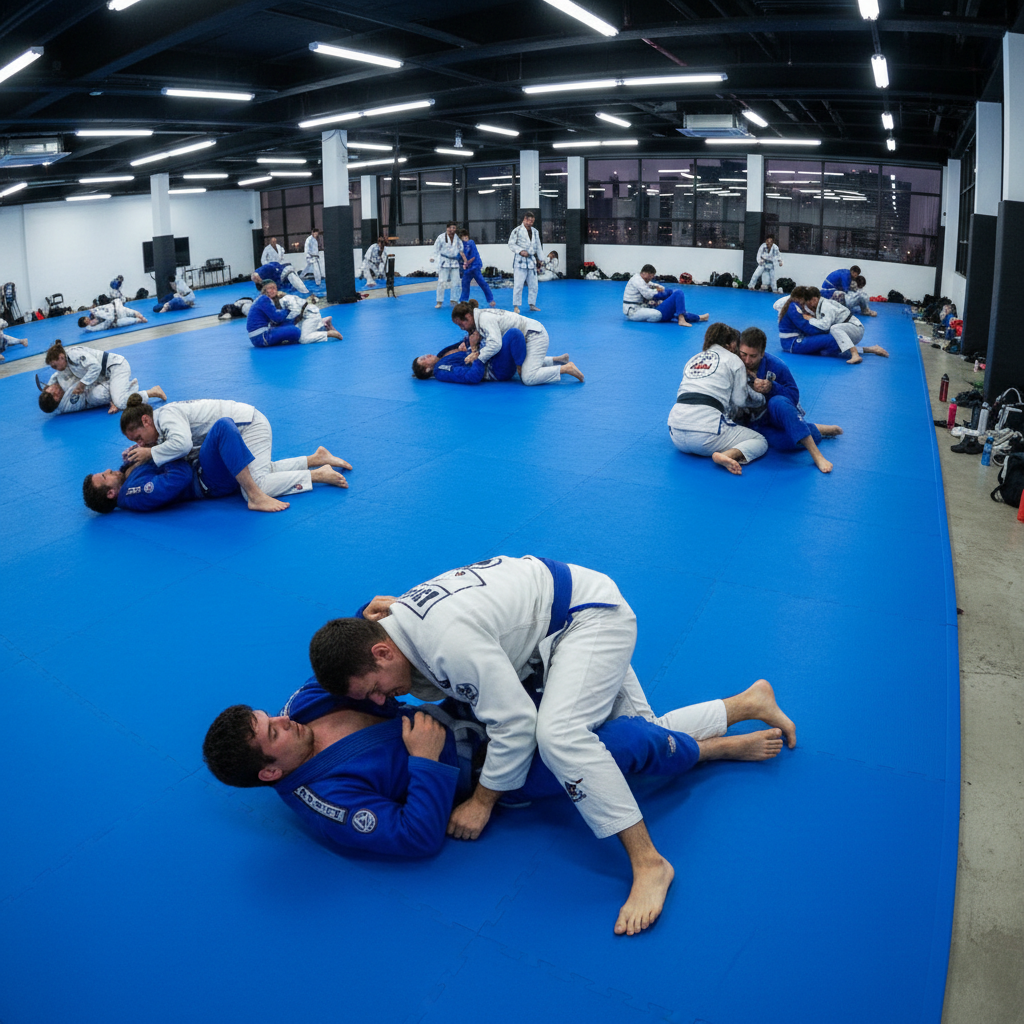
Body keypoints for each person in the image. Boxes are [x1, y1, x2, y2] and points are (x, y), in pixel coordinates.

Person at [305, 555, 797, 935]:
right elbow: (367, 649)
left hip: (586, 621)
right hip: (555, 621)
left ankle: (649, 863)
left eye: (375, 687)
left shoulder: (444, 645)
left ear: (382, 650)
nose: (382, 701)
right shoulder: (390, 626)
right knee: (644, 733)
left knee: (560, 737)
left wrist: (482, 802)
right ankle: (745, 704)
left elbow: (516, 724)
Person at [202, 673, 793, 862]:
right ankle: (718, 739)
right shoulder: (325, 801)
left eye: (268, 717)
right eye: (272, 735)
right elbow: (412, 838)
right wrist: (425, 764)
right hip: (489, 769)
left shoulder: (303, 706)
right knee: (625, 742)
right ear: (271, 773)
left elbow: (346, 671)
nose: (283, 721)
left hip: (469, 711)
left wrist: (370, 625)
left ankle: (742, 705)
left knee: (575, 676)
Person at [116, 394, 351, 512]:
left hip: (248, 427)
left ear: (146, 420)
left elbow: (183, 445)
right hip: (238, 429)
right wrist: (146, 449)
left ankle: (316, 476)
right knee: (256, 470)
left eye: (138, 438)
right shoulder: (160, 425)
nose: (140, 443)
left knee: (254, 486)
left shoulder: (167, 416)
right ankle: (314, 459)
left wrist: (150, 453)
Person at [735, 327, 842, 474]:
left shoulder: (776, 366)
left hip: (776, 413)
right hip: (756, 423)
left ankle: (816, 455)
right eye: (743, 354)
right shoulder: (733, 363)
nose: (747, 360)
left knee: (778, 402)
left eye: (753, 356)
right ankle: (815, 429)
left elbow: (793, 396)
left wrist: (772, 387)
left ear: (762, 353)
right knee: (782, 443)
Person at [667, 322, 767, 475]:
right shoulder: (734, 360)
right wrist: (761, 399)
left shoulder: (693, 359)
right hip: (705, 437)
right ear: (731, 344)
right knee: (760, 441)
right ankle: (728, 454)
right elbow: (740, 401)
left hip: (675, 433)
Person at [451, 300, 583, 385]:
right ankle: (557, 360)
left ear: (468, 316)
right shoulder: (481, 317)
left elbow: (495, 344)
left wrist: (478, 356)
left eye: (461, 324)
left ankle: (565, 368)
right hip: (526, 336)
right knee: (525, 365)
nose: (462, 328)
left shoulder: (484, 319)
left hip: (534, 336)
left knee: (528, 378)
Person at [41, 340, 164, 414]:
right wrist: (47, 387)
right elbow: (57, 376)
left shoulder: (74, 354)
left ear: (61, 357)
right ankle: (121, 392)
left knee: (121, 403)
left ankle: (152, 392)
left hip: (116, 367)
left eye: (55, 365)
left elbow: (96, 367)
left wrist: (82, 384)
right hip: (107, 376)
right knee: (108, 396)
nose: (56, 369)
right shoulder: (68, 364)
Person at [412, 330, 579, 384]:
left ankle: (554, 360)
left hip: (490, 360)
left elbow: (464, 347)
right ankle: (563, 369)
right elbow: (472, 377)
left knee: (507, 340)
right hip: (494, 370)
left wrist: (468, 343)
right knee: (513, 335)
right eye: (423, 359)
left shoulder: (441, 355)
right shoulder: (441, 370)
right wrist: (477, 355)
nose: (426, 355)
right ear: (427, 370)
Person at [777, 287, 888, 365]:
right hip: (793, 343)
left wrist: (812, 320)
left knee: (830, 344)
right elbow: (806, 327)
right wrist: (818, 326)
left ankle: (867, 350)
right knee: (832, 340)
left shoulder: (820, 305)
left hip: (853, 327)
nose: (807, 304)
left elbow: (815, 326)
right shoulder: (793, 307)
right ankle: (868, 349)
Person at [622, 265, 709, 326]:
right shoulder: (637, 281)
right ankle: (685, 318)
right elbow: (648, 295)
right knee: (677, 295)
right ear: (646, 274)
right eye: (651, 276)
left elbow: (654, 285)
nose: (651, 279)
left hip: (643, 307)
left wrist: (664, 290)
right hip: (634, 311)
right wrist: (665, 293)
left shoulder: (642, 280)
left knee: (676, 303)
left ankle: (697, 317)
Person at [507, 210, 543, 313]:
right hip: (520, 262)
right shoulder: (517, 230)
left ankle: (532, 304)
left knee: (534, 285)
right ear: (524, 219)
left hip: (531, 261)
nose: (530, 223)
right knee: (518, 285)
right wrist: (520, 251)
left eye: (532, 221)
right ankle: (516, 306)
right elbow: (511, 244)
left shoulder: (535, 232)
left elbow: (538, 246)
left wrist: (541, 259)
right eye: (529, 221)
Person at [246, 282, 301, 347]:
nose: (273, 290)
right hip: (262, 337)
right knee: (296, 331)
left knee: (289, 323)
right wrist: (287, 310)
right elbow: (277, 318)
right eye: (270, 288)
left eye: (274, 288)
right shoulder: (264, 299)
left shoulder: (261, 299)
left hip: (258, 336)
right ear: (264, 289)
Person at [277, 293, 342, 343]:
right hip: (307, 315)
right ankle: (323, 323)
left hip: (310, 315)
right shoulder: (286, 300)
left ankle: (329, 333)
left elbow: (298, 312)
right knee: (298, 331)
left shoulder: (285, 300)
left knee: (303, 339)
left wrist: (294, 321)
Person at [458, 229, 496, 306]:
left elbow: (472, 256)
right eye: (463, 237)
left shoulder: (470, 243)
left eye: (466, 236)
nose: (465, 238)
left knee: (482, 283)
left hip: (475, 267)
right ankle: (463, 301)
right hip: (468, 269)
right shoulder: (460, 246)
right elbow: (458, 257)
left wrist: (465, 261)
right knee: (465, 284)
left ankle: (490, 300)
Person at [430, 222, 463, 308]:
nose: (452, 229)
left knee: (456, 282)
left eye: (454, 228)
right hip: (444, 262)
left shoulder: (457, 238)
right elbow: (436, 248)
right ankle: (439, 301)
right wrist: (433, 257)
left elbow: (461, 248)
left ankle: (454, 300)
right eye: (451, 228)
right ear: (447, 228)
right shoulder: (441, 237)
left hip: (454, 262)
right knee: (441, 282)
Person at [77, 299, 147, 332]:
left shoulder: (94, 311)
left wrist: (95, 313)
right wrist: (95, 321)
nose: (88, 320)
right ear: (86, 325)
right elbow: (107, 322)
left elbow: (105, 308)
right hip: (116, 320)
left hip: (116, 308)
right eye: (86, 322)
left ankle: (138, 316)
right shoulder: (92, 327)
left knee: (135, 314)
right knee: (136, 320)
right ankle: (138, 319)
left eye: (86, 319)